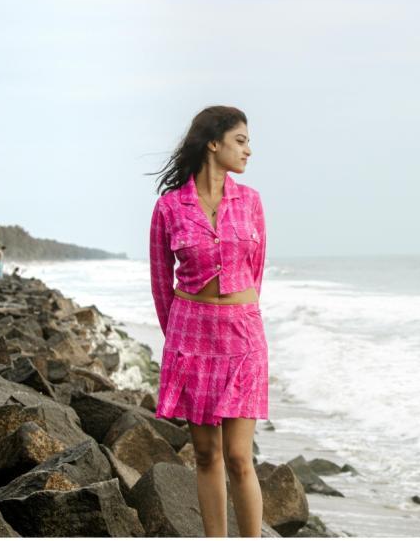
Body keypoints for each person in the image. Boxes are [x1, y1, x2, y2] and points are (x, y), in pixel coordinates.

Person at [148, 105, 267, 537]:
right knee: (205, 454)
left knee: (238, 456)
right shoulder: (169, 208)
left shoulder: (251, 202)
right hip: (191, 337)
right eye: (241, 141)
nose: (248, 151)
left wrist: (239, 312)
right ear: (213, 143)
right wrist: (179, 340)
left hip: (243, 337)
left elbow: (256, 271)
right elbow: (161, 282)